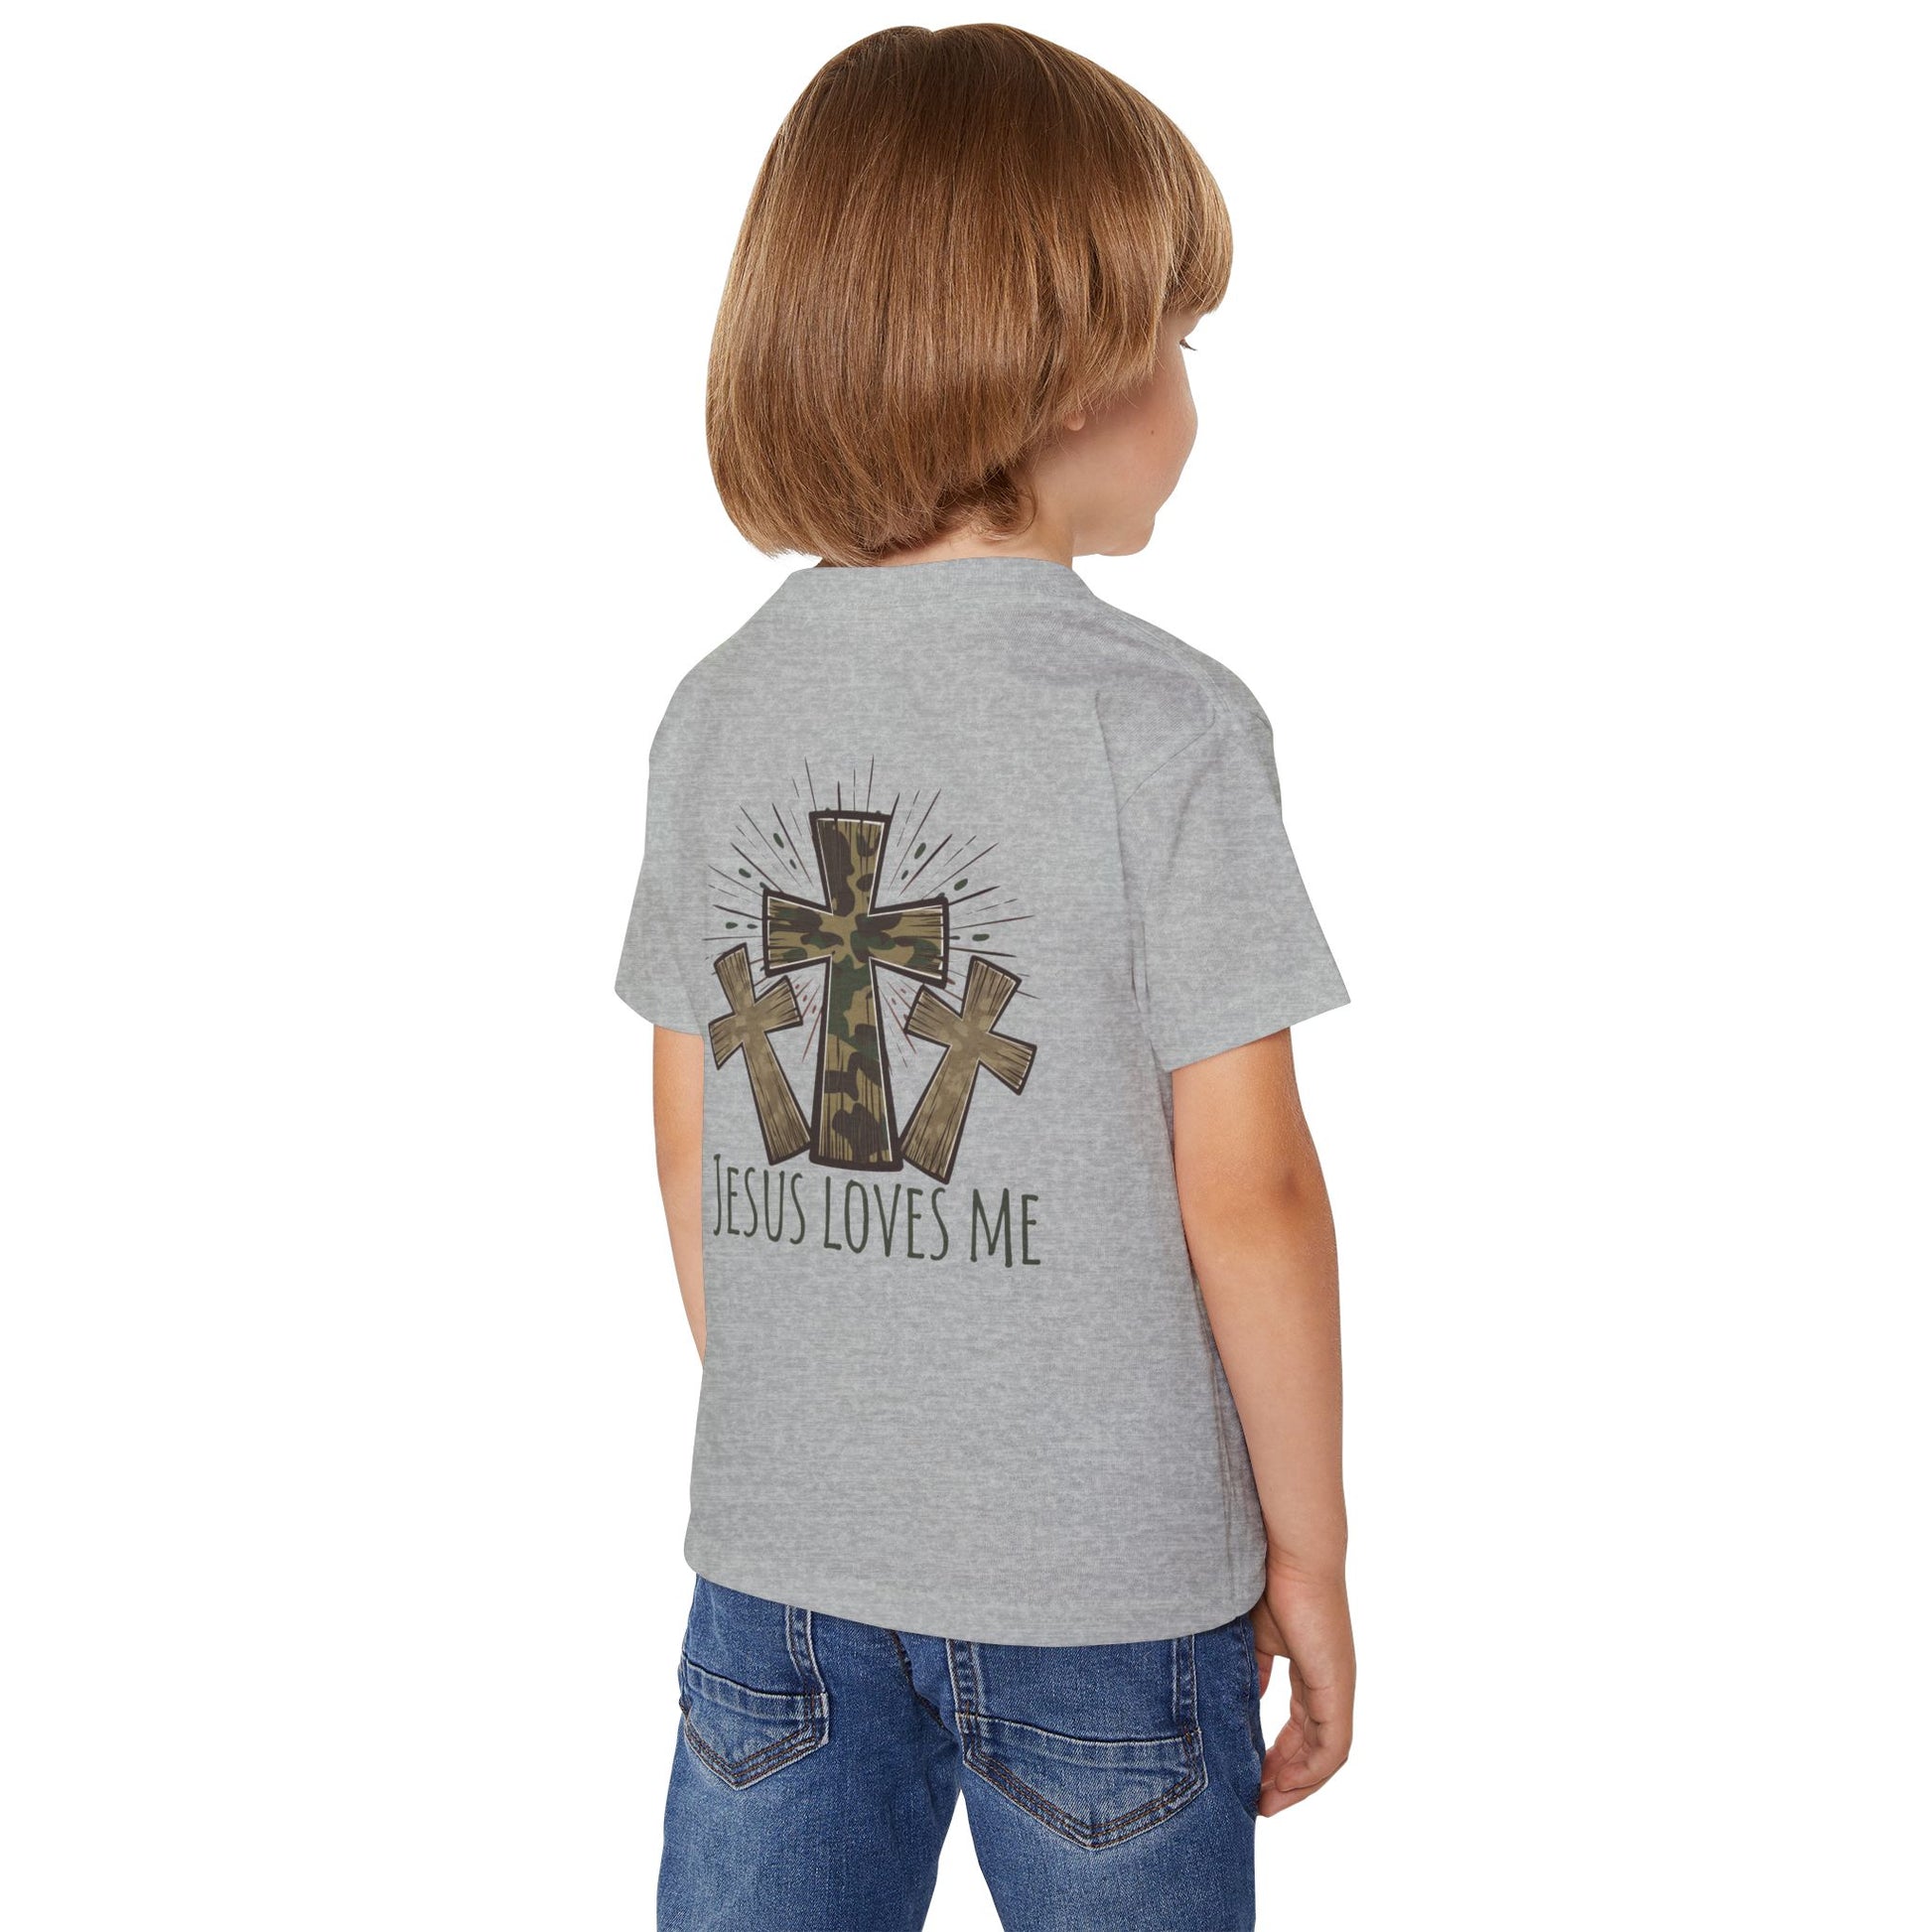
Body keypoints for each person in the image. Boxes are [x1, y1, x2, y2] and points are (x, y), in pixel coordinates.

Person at [617, 25, 1353, 1931]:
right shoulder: (1165, 727)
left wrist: (833, 1436)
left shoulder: (717, 711)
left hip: (778, 1568)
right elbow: (1252, 1189)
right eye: (1176, 341)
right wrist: (1311, 1551)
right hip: (1109, 1590)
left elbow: (695, 1126)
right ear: (1069, 375)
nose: (1189, 394)